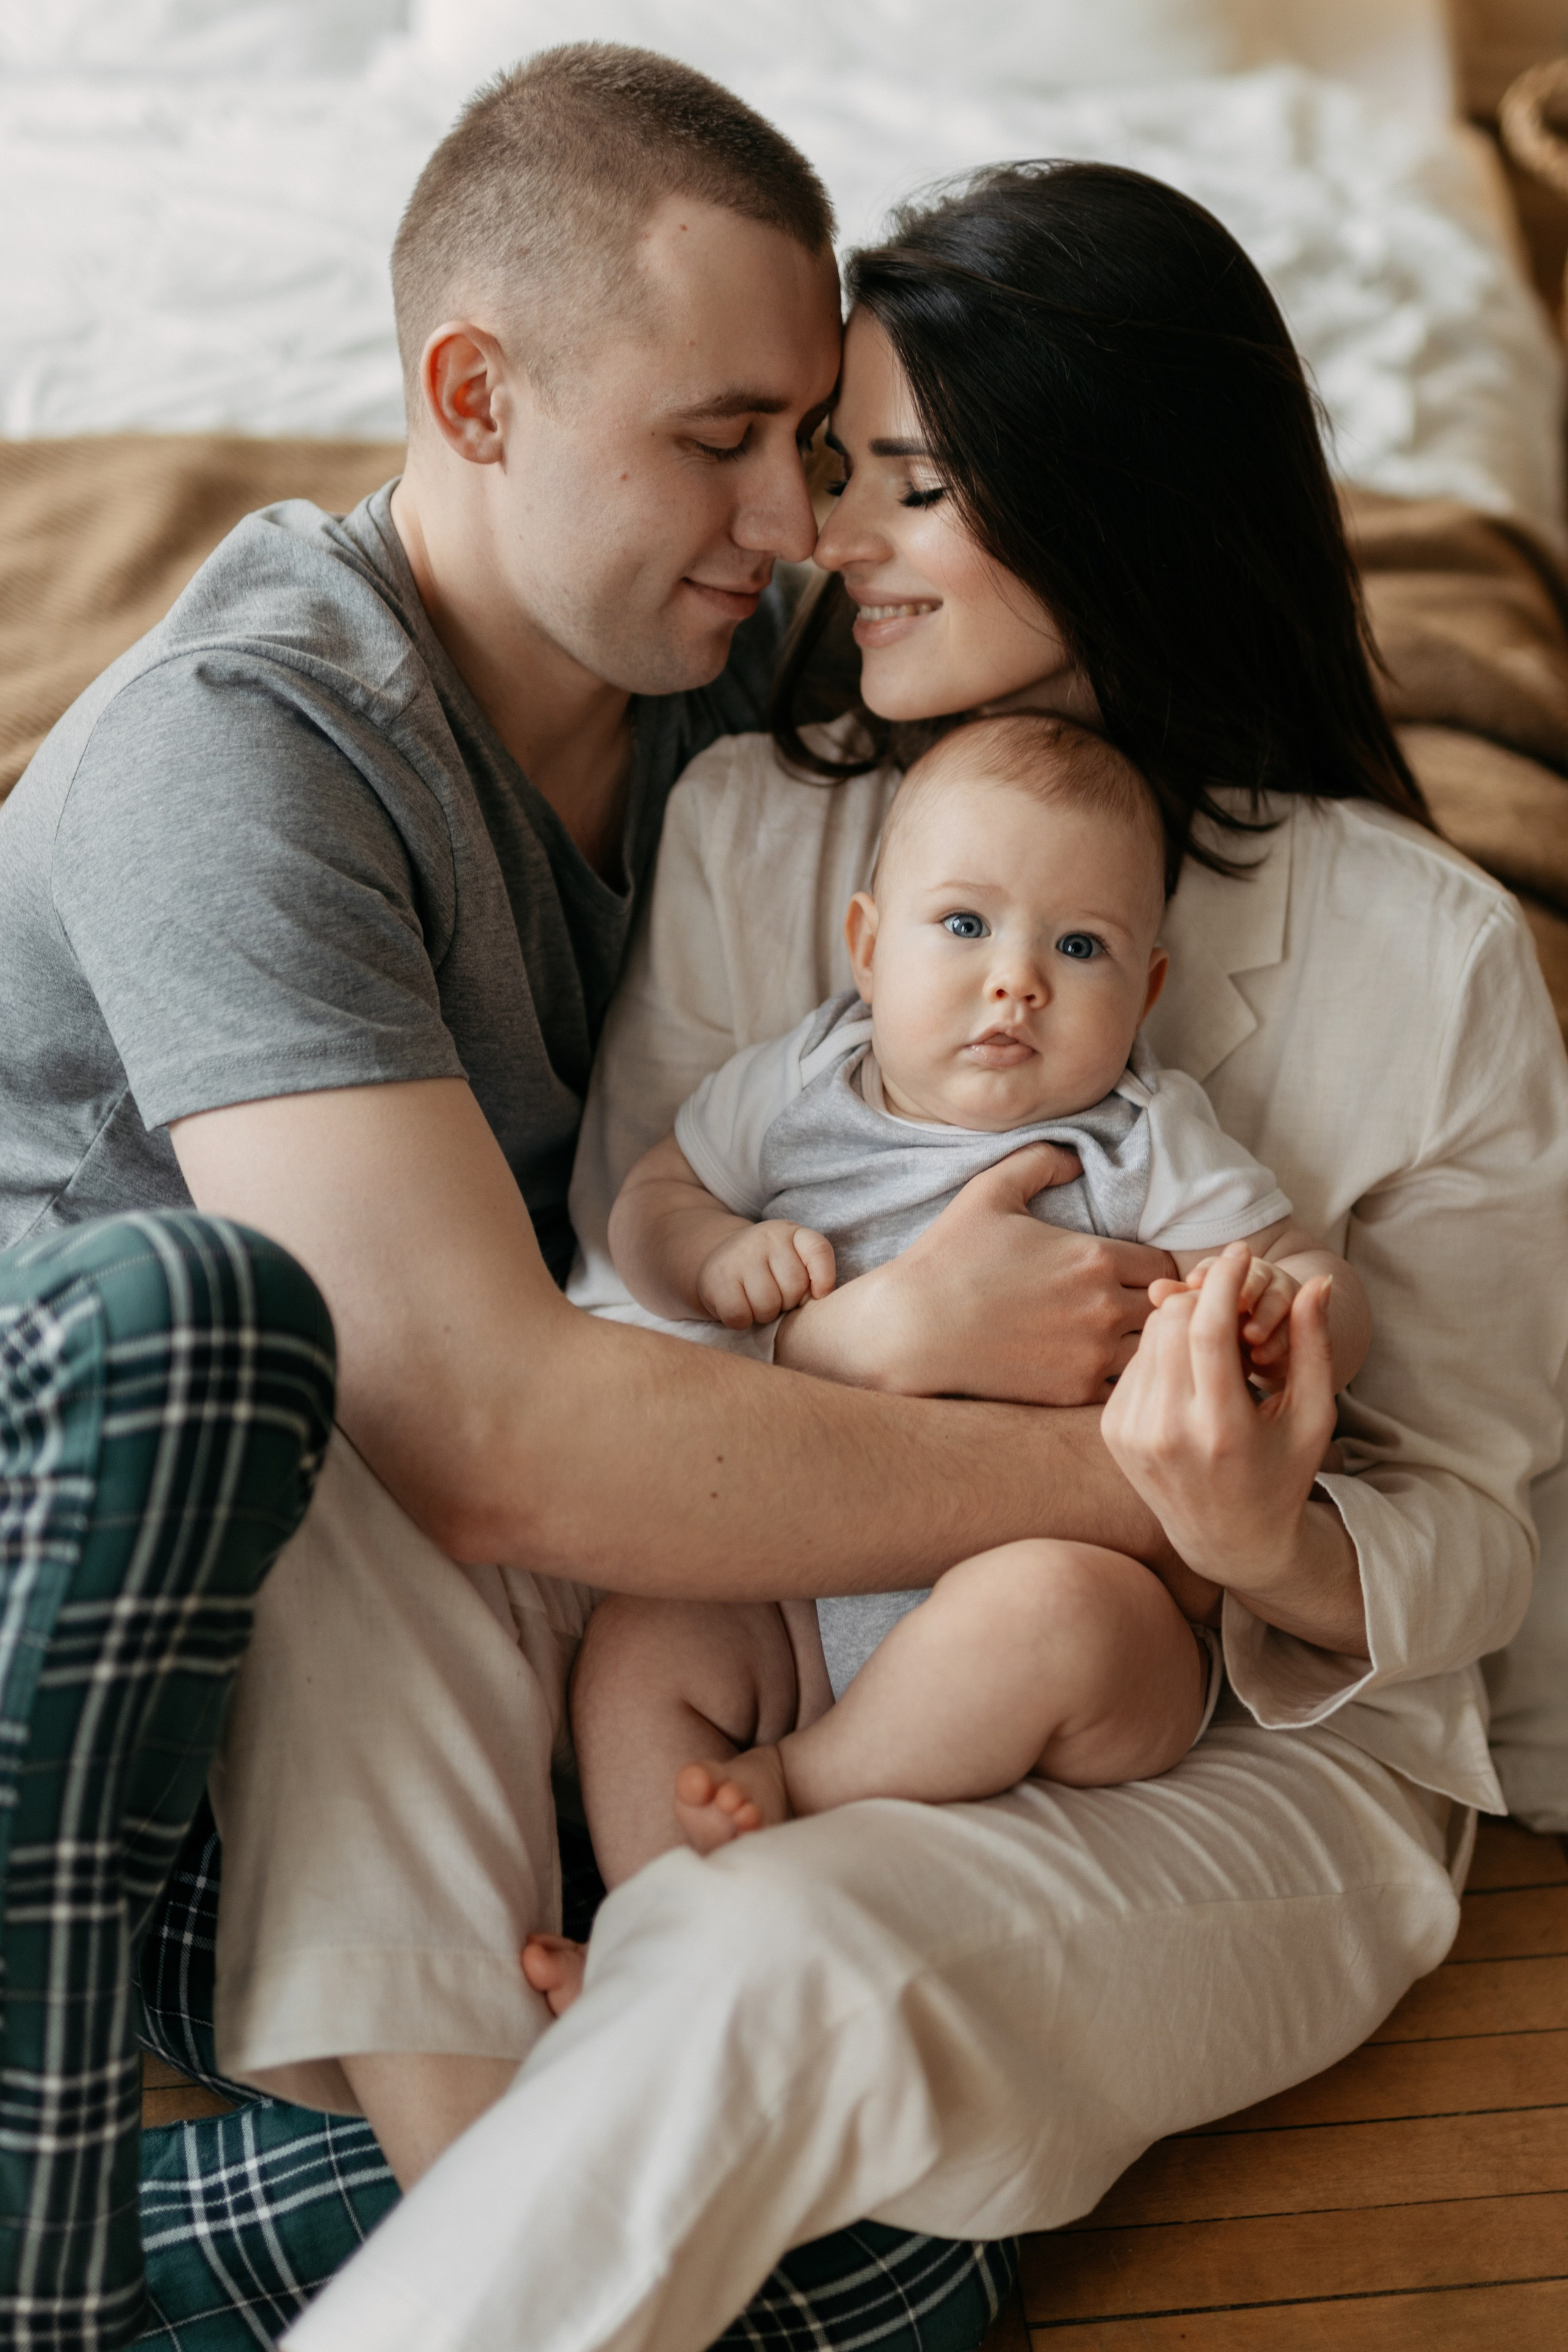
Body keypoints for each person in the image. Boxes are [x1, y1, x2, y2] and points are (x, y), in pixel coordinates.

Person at [276, 160, 1568, 2352]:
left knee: (773, 1962)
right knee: (350, 1443)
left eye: (910, 484)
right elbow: (619, 1310)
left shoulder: (1420, 952)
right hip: (764, 1595)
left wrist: (1266, 1539)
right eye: (825, 465)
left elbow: (1484, 1542)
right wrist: (860, 1344)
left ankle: (511, 2091)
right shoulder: (758, 828)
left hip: (1213, 1753)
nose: (820, 537)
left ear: (1107, 494)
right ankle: (443, 2050)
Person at [0, 46, 1188, 2350]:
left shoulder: (726, 679)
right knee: (282, 1352)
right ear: (475, 396)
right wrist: (1129, 1488)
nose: (794, 524)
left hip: (488, 1665)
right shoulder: (237, 751)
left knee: (917, 2229)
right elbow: (484, 1436)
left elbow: (1058, 675)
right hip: (129, 1665)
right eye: (717, 439)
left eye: (814, 444)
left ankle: (354, 2221)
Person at [552, 712, 1366, 1906]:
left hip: (1074, 1603)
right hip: (807, 1583)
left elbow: (1306, 1273)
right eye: (967, 925)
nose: (1016, 981)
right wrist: (716, 1258)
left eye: (1079, 946)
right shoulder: (798, 1082)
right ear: (866, 946)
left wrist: (1275, 1314)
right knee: (641, 1641)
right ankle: (648, 1926)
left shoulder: (1141, 1136)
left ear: (1144, 991)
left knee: (1046, 1610)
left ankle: (807, 1783)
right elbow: (649, 1205)